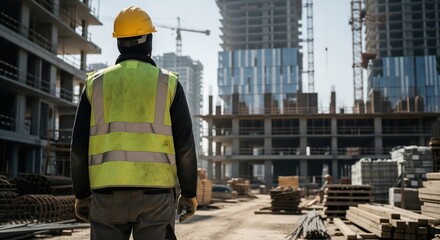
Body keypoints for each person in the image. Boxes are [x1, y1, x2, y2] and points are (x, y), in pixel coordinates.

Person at [70, 6, 198, 240]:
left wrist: (82, 194)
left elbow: (78, 148)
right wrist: (189, 193)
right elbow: (185, 146)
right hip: (156, 199)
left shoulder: (95, 84)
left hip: (105, 196)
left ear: (118, 42)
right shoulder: (167, 83)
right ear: (148, 40)